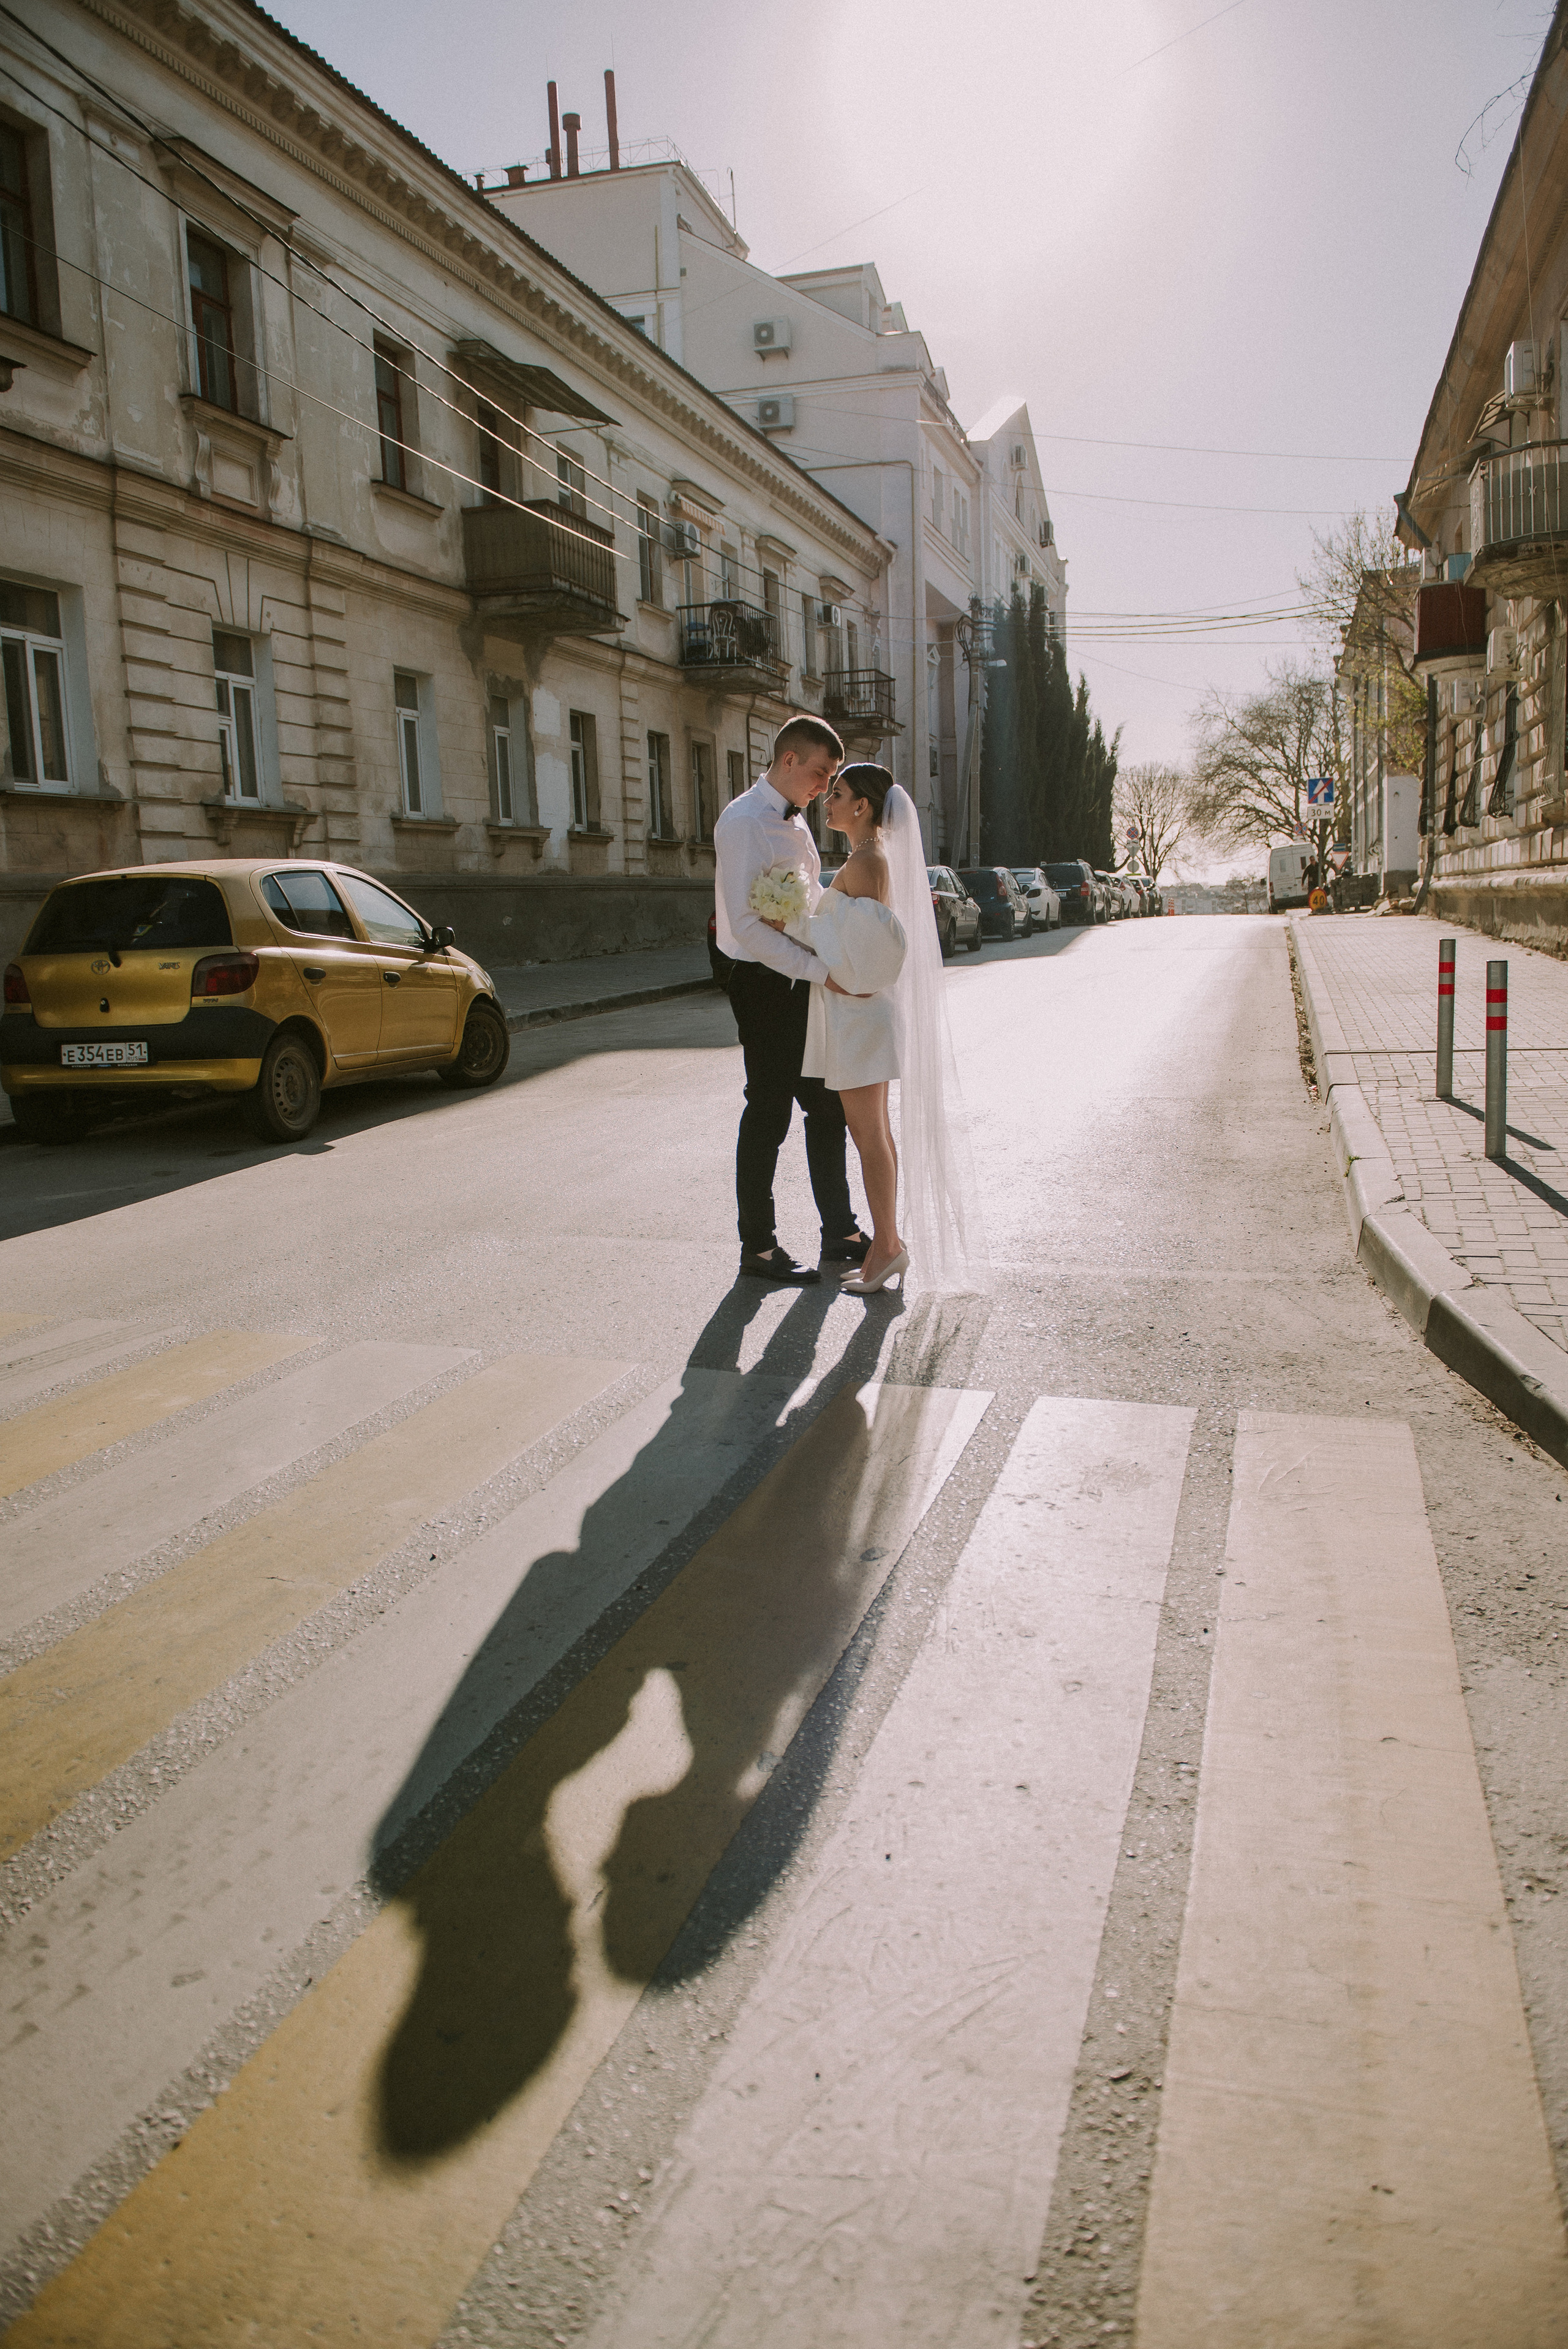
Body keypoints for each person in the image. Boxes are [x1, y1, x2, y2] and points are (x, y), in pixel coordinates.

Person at [783, 763, 987, 1298]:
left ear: (863, 808)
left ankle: (889, 1247)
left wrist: (796, 924)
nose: (827, 802)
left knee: (869, 1137)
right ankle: (885, 1246)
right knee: (877, 1134)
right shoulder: (864, 858)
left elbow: (872, 950)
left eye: (839, 794)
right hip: (858, 1017)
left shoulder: (870, 861)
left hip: (860, 1017)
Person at [712, 716, 872, 1286]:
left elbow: (802, 906)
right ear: (788, 760)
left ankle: (843, 1232)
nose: (825, 786)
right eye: (821, 772)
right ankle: (758, 1248)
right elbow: (745, 925)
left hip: (799, 982)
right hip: (761, 982)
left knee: (825, 1108)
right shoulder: (743, 822)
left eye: (832, 778)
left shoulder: (795, 823)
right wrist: (816, 970)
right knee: (769, 1111)